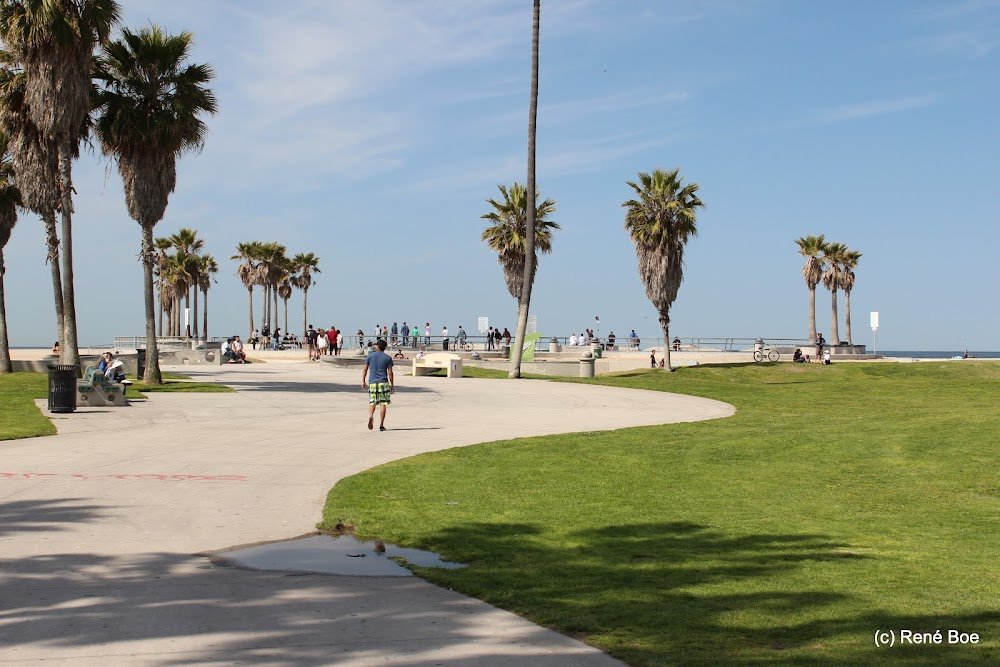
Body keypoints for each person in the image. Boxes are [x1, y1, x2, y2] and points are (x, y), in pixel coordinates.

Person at [362, 339, 394, 432]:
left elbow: (365, 369)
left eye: (376, 346)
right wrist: (392, 385)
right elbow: (390, 373)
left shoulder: (370, 356)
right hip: (383, 382)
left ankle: (371, 415)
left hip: (372, 382)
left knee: (373, 402)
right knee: (383, 404)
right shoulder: (387, 358)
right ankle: (381, 424)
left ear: (378, 347)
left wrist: (363, 381)